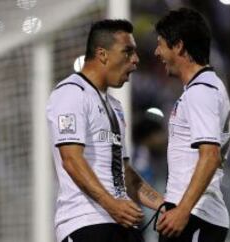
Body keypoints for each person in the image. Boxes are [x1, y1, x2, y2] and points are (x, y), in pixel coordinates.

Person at [46, 19, 163, 242]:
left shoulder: (115, 107)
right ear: (102, 54)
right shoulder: (70, 93)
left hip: (123, 222)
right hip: (86, 222)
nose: (136, 60)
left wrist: (163, 205)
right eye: (128, 52)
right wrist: (111, 205)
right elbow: (70, 160)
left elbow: (125, 173)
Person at [154, 8, 230, 242]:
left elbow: (210, 156)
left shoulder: (201, 92)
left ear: (178, 46)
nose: (157, 52)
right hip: (192, 214)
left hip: (195, 216)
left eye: (161, 44)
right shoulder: (205, 87)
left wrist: (182, 210)